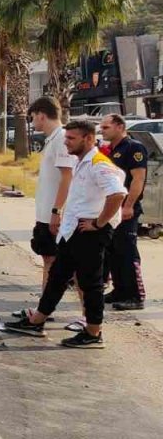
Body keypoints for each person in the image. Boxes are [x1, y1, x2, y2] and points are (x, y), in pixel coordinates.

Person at [5, 117, 127, 348]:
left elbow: (117, 195)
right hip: (73, 232)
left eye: (71, 138)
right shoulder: (82, 161)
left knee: (90, 283)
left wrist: (99, 223)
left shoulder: (99, 164)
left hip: (89, 233)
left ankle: (93, 333)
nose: (66, 143)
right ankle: (37, 320)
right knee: (58, 277)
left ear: (88, 139)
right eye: (66, 138)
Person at [25, 98, 77, 299]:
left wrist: (57, 210)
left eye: (33, 118)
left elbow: (68, 176)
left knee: (56, 261)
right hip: (46, 212)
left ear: (41, 115)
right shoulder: (53, 139)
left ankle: (46, 306)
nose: (33, 122)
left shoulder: (62, 139)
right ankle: (44, 305)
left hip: (54, 213)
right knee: (49, 258)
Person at [99, 114, 148, 310]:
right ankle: (120, 290)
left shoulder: (133, 148)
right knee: (113, 251)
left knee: (127, 251)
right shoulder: (110, 150)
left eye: (106, 127)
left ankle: (135, 296)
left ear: (120, 126)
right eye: (102, 128)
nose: (102, 131)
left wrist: (128, 205)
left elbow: (138, 179)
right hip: (111, 209)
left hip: (126, 208)